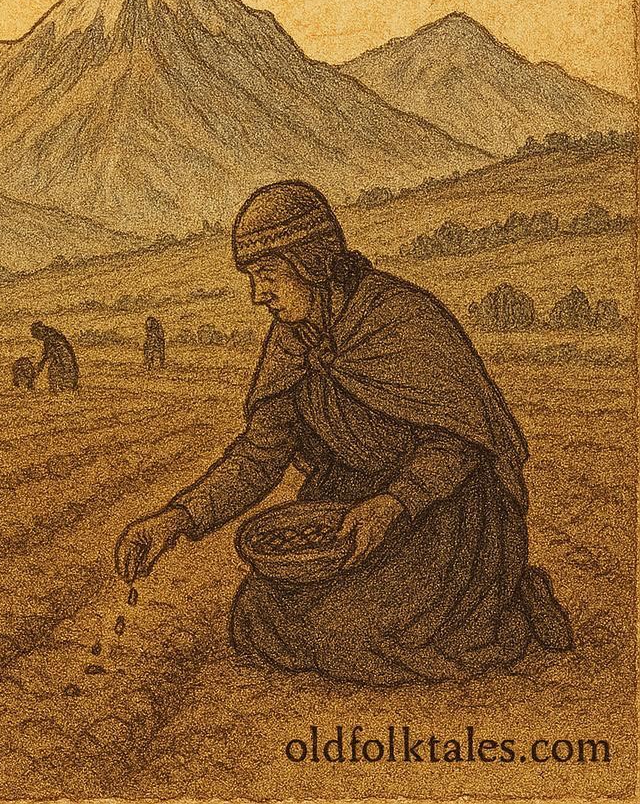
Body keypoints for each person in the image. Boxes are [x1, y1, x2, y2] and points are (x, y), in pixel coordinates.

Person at [113, 180, 573, 686]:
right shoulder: (292, 338)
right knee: (256, 618)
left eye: (267, 275)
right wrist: (177, 518)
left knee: (344, 635)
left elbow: (459, 441)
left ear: (310, 262)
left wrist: (393, 503)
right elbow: (259, 453)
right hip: (351, 501)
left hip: (444, 506)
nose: (258, 295)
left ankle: (510, 603)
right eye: (253, 278)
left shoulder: (401, 317)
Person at [30, 320, 79, 392]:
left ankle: (61, 388)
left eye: (36, 336)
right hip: (62, 360)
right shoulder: (52, 336)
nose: (38, 338)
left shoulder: (51, 338)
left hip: (64, 361)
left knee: (55, 371)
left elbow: (48, 354)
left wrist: (41, 364)